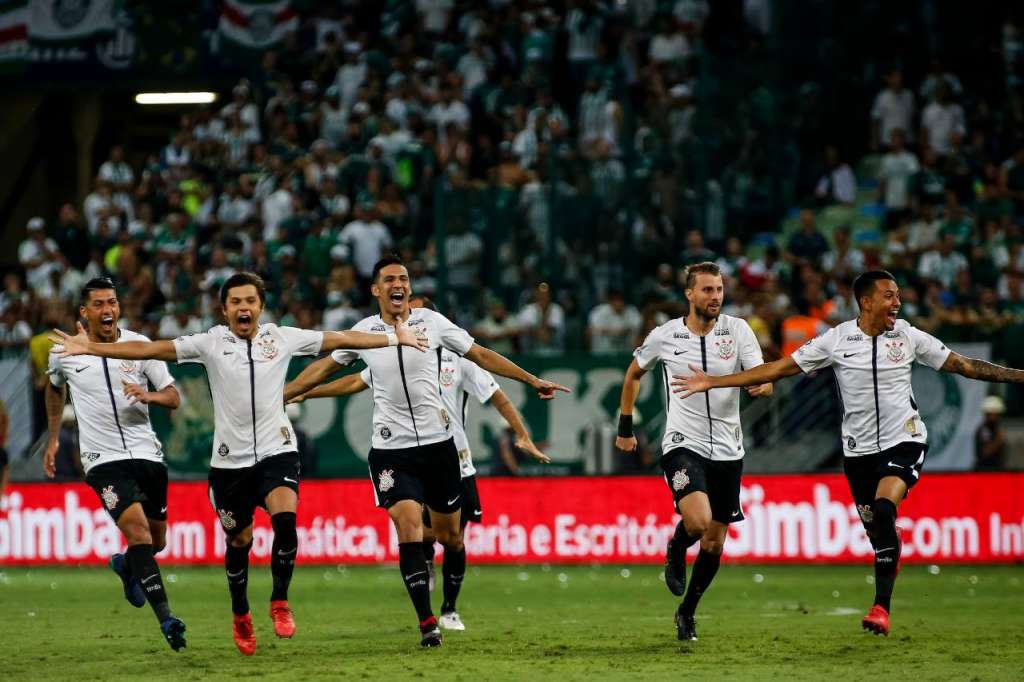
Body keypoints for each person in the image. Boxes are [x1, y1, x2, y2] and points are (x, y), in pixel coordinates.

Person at [50, 271, 427, 656]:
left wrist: (395, 336)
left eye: (250, 301)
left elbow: (342, 339)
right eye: (235, 302)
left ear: (260, 306)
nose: (243, 308)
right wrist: (93, 349)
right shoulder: (210, 343)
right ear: (224, 310)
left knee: (285, 521)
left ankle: (280, 601)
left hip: (276, 452)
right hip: (229, 465)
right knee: (239, 540)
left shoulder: (281, 337)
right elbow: (152, 350)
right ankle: (241, 613)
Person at [673, 270, 1024, 636]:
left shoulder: (908, 336)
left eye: (898, 295)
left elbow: (964, 365)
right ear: (867, 301)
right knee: (880, 535)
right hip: (858, 455)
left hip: (905, 439)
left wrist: (1019, 376)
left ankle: (880, 609)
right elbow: (778, 368)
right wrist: (714, 381)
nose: (897, 303)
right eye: (889, 296)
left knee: (886, 508)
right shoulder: (836, 341)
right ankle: (889, 542)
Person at [282, 255, 569, 648]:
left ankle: (449, 604)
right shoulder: (363, 332)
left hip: (440, 449)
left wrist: (530, 378)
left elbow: (481, 354)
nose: (397, 284)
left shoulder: (434, 325)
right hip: (390, 452)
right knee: (409, 529)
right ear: (376, 289)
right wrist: (281, 395)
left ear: (410, 288)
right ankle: (427, 621)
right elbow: (327, 367)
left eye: (403, 278)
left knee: (450, 538)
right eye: (388, 279)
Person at [614, 262, 772, 642]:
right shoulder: (665, 336)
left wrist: (759, 388)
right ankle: (675, 545)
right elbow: (634, 373)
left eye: (719, 289)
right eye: (707, 290)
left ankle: (687, 612)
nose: (715, 296)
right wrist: (625, 427)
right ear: (689, 294)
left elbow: (763, 379)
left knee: (715, 542)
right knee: (698, 522)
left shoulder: (738, 331)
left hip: (729, 449)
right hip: (684, 443)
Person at [44, 277, 186, 651]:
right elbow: (54, 387)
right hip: (102, 460)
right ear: (85, 312)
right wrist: (55, 437)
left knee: (156, 541)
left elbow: (174, 398)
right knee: (138, 532)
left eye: (112, 302)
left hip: (147, 454)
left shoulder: (140, 346)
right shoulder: (64, 351)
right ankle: (167, 619)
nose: (107, 310)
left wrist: (149, 395)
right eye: (99, 304)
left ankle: (127, 566)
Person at [974, 395, 1008, 471]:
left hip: (997, 470)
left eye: (999, 414)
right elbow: (984, 452)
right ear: (987, 414)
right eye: (995, 414)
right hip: (985, 472)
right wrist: (998, 440)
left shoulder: (997, 429)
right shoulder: (983, 430)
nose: (997, 417)